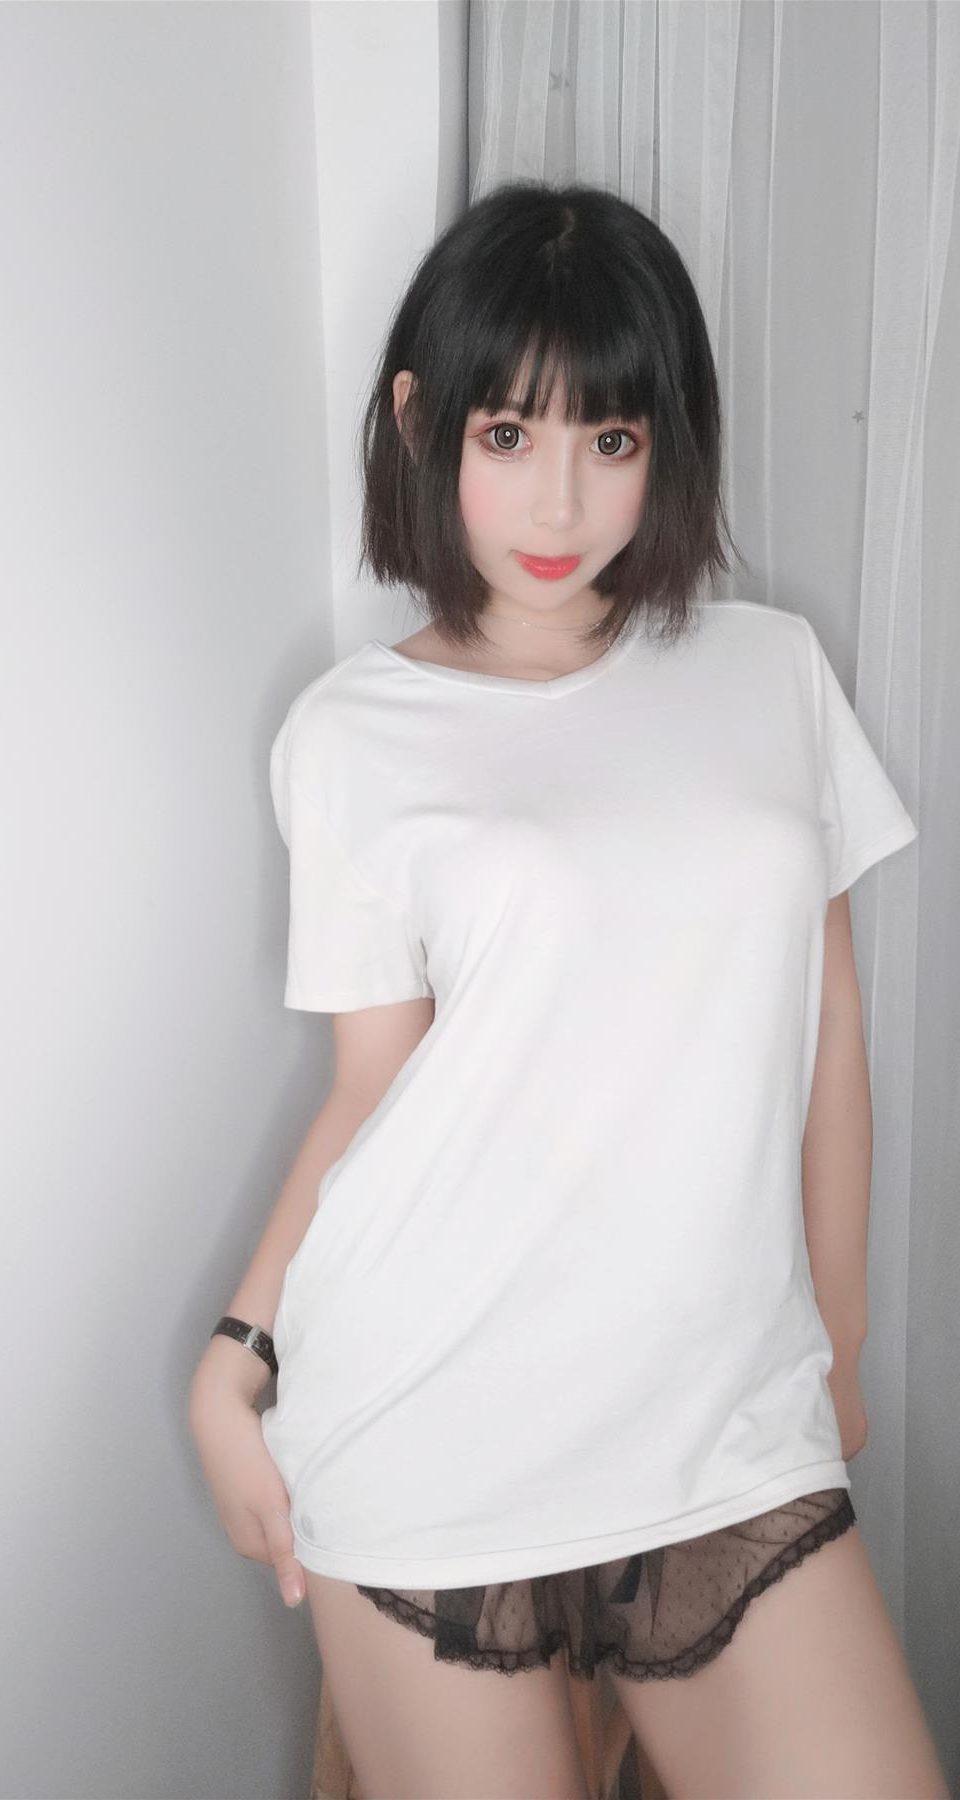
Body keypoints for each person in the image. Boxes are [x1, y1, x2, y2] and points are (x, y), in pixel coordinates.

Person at [189, 180, 948, 1799]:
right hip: (429, 1425)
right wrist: (235, 1355)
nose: (562, 500)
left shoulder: (769, 671)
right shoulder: (352, 733)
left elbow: (831, 1035)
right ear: (421, 422)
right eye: (507, 434)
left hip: (727, 1430)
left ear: (668, 440)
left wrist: (839, 1339)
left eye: (611, 439)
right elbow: (375, 1089)